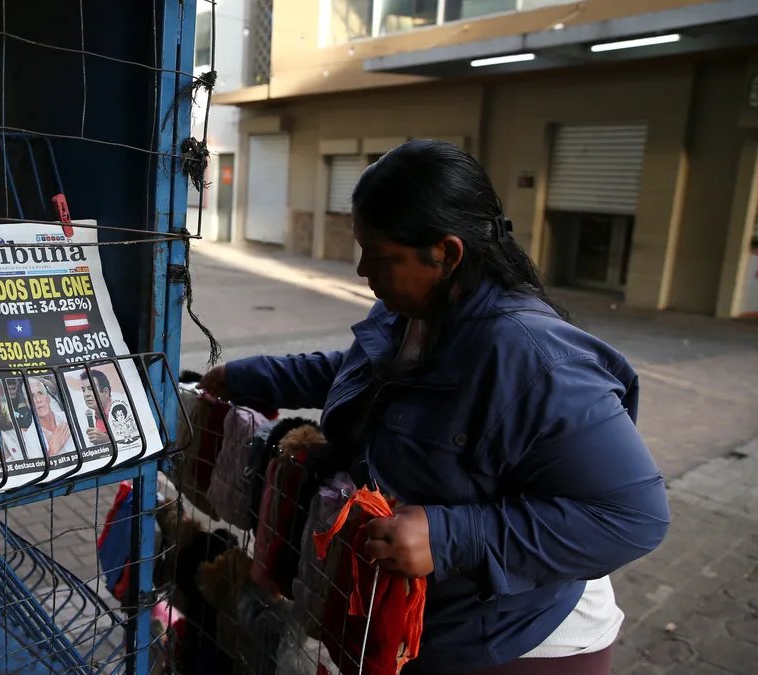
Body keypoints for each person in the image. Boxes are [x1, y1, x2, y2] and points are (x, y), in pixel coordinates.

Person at [198, 140, 669, 675]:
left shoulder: (533, 359)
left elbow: (634, 519)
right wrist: (248, 377)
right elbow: (362, 372)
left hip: (523, 644)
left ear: (445, 253)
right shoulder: (416, 311)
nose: (361, 270)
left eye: (379, 255)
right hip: (429, 626)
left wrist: (449, 535)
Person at [26, 377, 75, 457]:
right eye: (32, 396)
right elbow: (42, 469)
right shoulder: (31, 437)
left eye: (40, 393)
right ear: (28, 404)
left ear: (48, 398)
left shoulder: (68, 418)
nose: (38, 400)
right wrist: (52, 450)